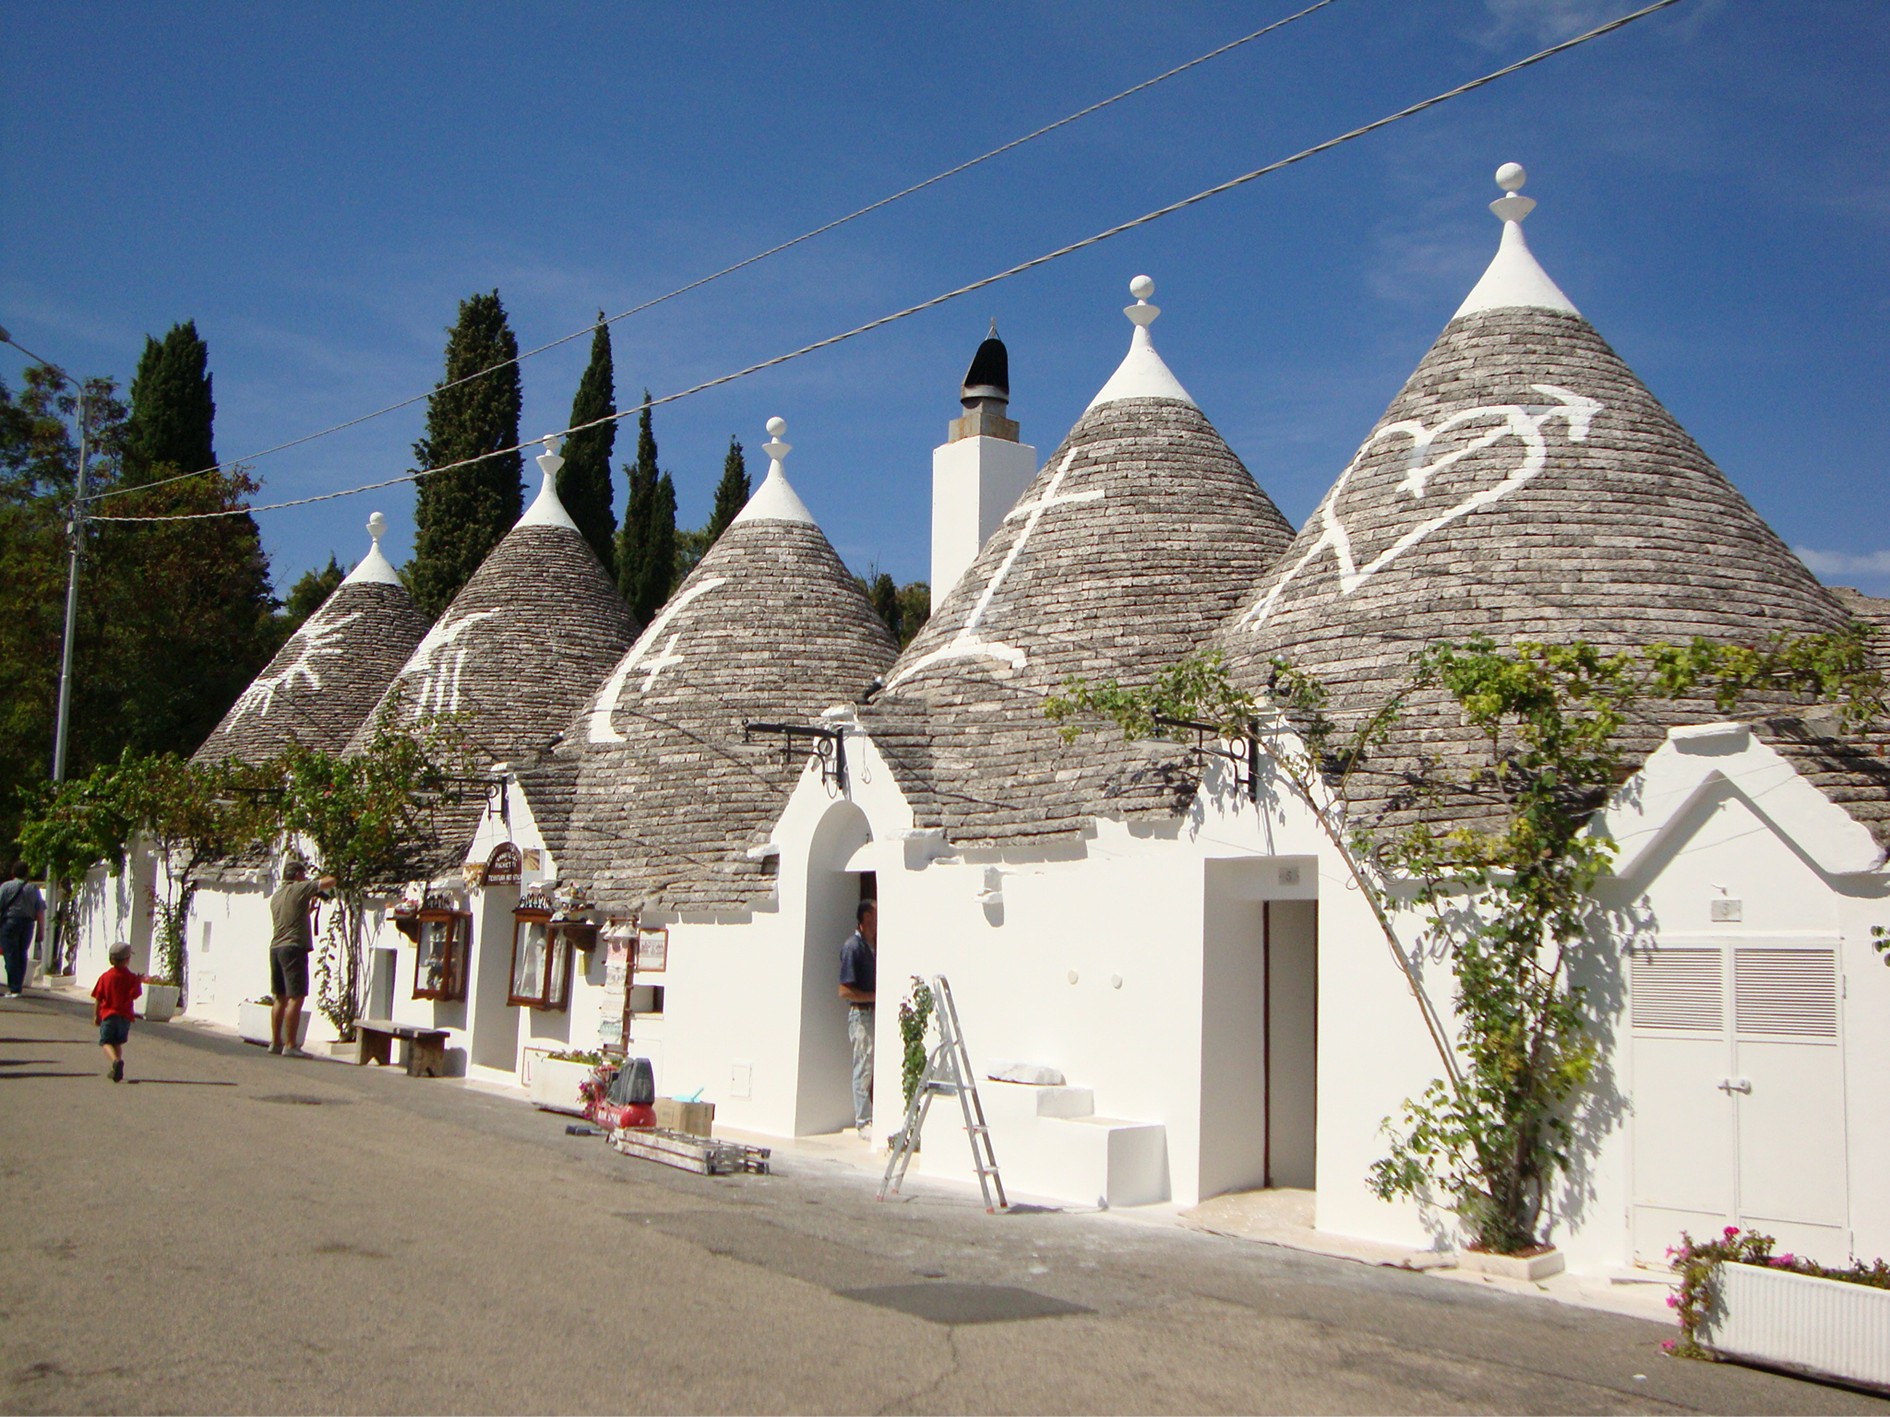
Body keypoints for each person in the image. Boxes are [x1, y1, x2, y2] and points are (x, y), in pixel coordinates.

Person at [269, 860, 335, 1057]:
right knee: (296, 997)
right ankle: (290, 1044)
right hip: (293, 947)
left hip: (276, 947)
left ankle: (276, 1042)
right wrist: (334, 873)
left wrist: (308, 912)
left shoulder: (277, 895)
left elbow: (291, 917)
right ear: (297, 875)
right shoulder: (299, 888)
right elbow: (328, 882)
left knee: (279, 997)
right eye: (303, 874)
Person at [837, 898, 877, 1139]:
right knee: (862, 1065)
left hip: (872, 1014)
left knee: (870, 1065)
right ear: (866, 919)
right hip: (861, 1015)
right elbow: (844, 991)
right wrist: (873, 996)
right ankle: (863, 1121)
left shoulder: (872, 948)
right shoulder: (854, 947)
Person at [92, 942, 142, 1082]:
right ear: (127, 959)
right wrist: (138, 982)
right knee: (118, 1042)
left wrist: (96, 1015)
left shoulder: (105, 977)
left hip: (108, 1015)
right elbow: (135, 995)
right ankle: (116, 1065)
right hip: (124, 1017)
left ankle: (115, 1062)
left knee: (106, 1042)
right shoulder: (131, 977)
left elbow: (98, 997)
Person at [1, 860, 47, 997]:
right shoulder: (33, 889)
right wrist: (41, 930)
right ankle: (18, 986)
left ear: (13, 872)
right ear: (27, 873)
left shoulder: (6, 887)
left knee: (10, 955)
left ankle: (13, 987)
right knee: (22, 954)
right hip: (27, 924)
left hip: (10, 923)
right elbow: (40, 911)